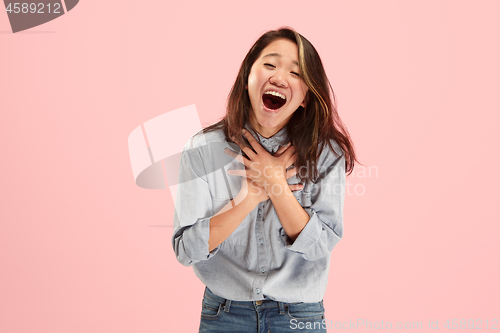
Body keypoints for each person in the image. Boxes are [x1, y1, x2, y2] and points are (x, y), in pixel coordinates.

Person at [172, 27, 357, 333]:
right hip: (224, 315)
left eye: (296, 73)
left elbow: (320, 246)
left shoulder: (326, 154)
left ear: (306, 98)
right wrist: (251, 197)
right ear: (247, 78)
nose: (279, 77)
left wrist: (275, 185)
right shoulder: (203, 150)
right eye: (270, 65)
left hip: (298, 316)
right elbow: (186, 250)